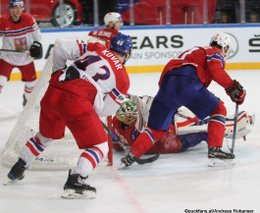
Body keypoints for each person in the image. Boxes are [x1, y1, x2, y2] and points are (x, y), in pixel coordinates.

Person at [6, 32, 133, 199]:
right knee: (100, 145)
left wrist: (57, 73)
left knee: (45, 136)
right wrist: (90, 104)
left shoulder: (97, 47)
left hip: (53, 91)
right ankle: (76, 179)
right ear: (127, 54)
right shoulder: (123, 79)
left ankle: (19, 166)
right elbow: (105, 111)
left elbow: (60, 48)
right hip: (76, 102)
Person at [120, 32, 246, 168]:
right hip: (186, 80)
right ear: (223, 46)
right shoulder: (213, 51)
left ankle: (130, 156)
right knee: (218, 109)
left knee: (155, 128)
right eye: (226, 49)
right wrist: (233, 87)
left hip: (167, 85)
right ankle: (214, 150)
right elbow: (216, 70)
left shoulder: (198, 51)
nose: (225, 53)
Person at [112, 96, 254, 154]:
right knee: (204, 128)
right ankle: (235, 127)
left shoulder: (117, 124)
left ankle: (226, 121)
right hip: (172, 140)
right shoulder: (135, 130)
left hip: (168, 134)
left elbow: (116, 144)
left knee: (198, 120)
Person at [0, 0, 42, 106]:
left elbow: (37, 35)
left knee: (32, 84)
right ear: (10, 9)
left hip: (26, 57)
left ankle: (27, 100)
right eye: (15, 7)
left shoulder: (28, 19)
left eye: (21, 7)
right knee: (0, 81)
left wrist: (36, 45)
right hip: (8, 58)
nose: (18, 10)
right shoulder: (3, 21)